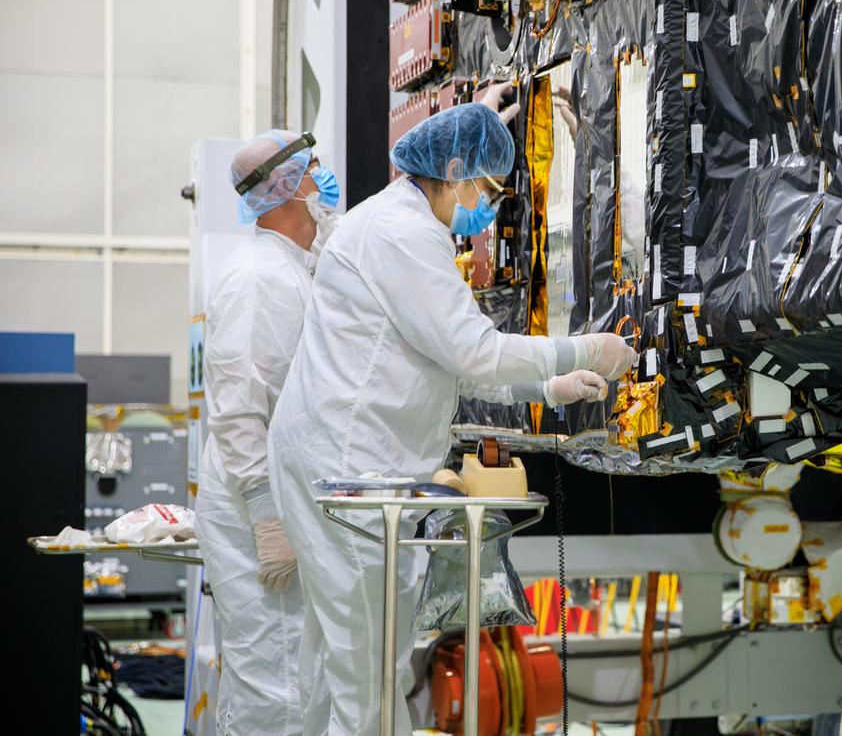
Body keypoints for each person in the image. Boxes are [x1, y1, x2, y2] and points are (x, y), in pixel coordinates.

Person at [267, 84, 637, 736]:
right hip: (347, 463)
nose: (488, 212)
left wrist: (547, 389)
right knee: (369, 667)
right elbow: (471, 348)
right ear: (457, 171)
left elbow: (434, 359)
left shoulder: (398, 223)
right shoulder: (405, 234)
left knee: (337, 659)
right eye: (490, 192)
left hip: (336, 455)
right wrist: (586, 348)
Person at [193, 129, 340, 734]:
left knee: (294, 683)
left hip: (284, 507)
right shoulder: (258, 279)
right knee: (273, 687)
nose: (324, 182)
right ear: (288, 188)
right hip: (258, 519)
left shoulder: (296, 269)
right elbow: (235, 411)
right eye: (315, 170)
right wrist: (267, 519)